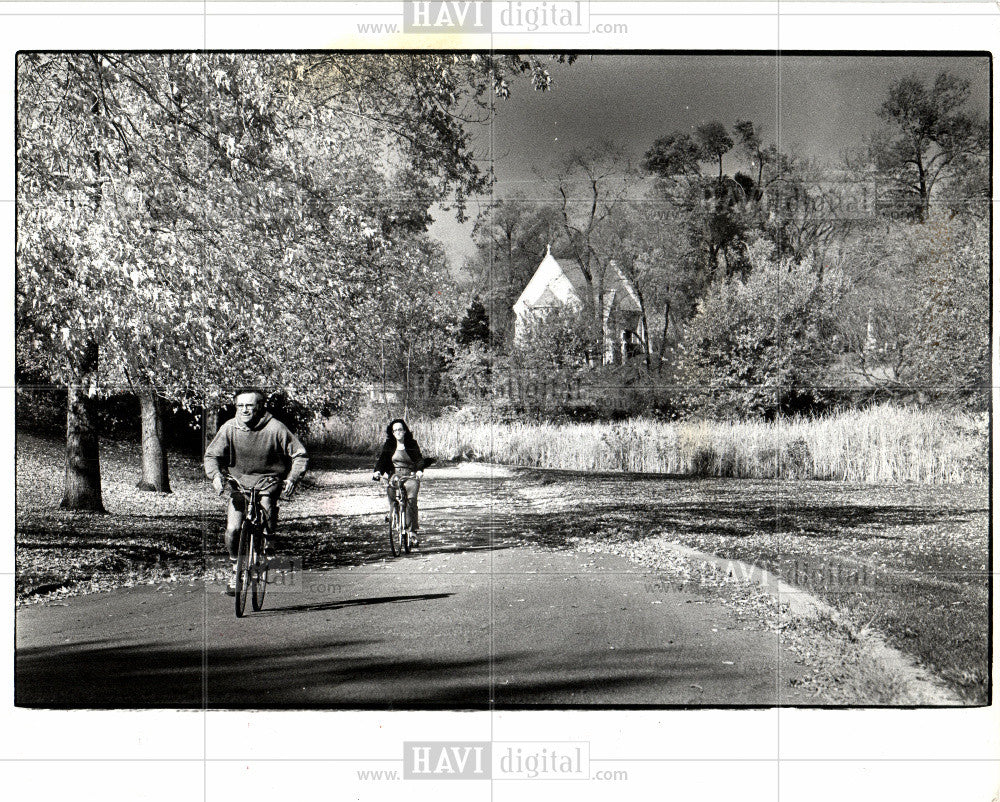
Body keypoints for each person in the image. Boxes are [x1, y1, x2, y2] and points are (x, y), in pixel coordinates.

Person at [204, 387, 308, 595]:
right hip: (240, 483)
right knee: (233, 529)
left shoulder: (275, 428)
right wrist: (215, 475)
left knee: (267, 504)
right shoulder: (229, 428)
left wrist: (292, 478)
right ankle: (235, 568)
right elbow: (211, 456)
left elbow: (299, 454)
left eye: (249, 406)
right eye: (240, 406)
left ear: (260, 407)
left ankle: (267, 543)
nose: (244, 410)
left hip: (268, 480)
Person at [372, 418, 425, 546]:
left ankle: (412, 532)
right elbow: (383, 460)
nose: (398, 432)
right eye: (395, 430)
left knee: (411, 500)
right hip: (395, 476)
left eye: (400, 429)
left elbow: (419, 459)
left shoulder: (411, 444)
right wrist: (378, 471)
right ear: (392, 433)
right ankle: (393, 512)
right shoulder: (389, 445)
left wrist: (419, 470)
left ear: (405, 430)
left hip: (410, 476)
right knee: (390, 490)